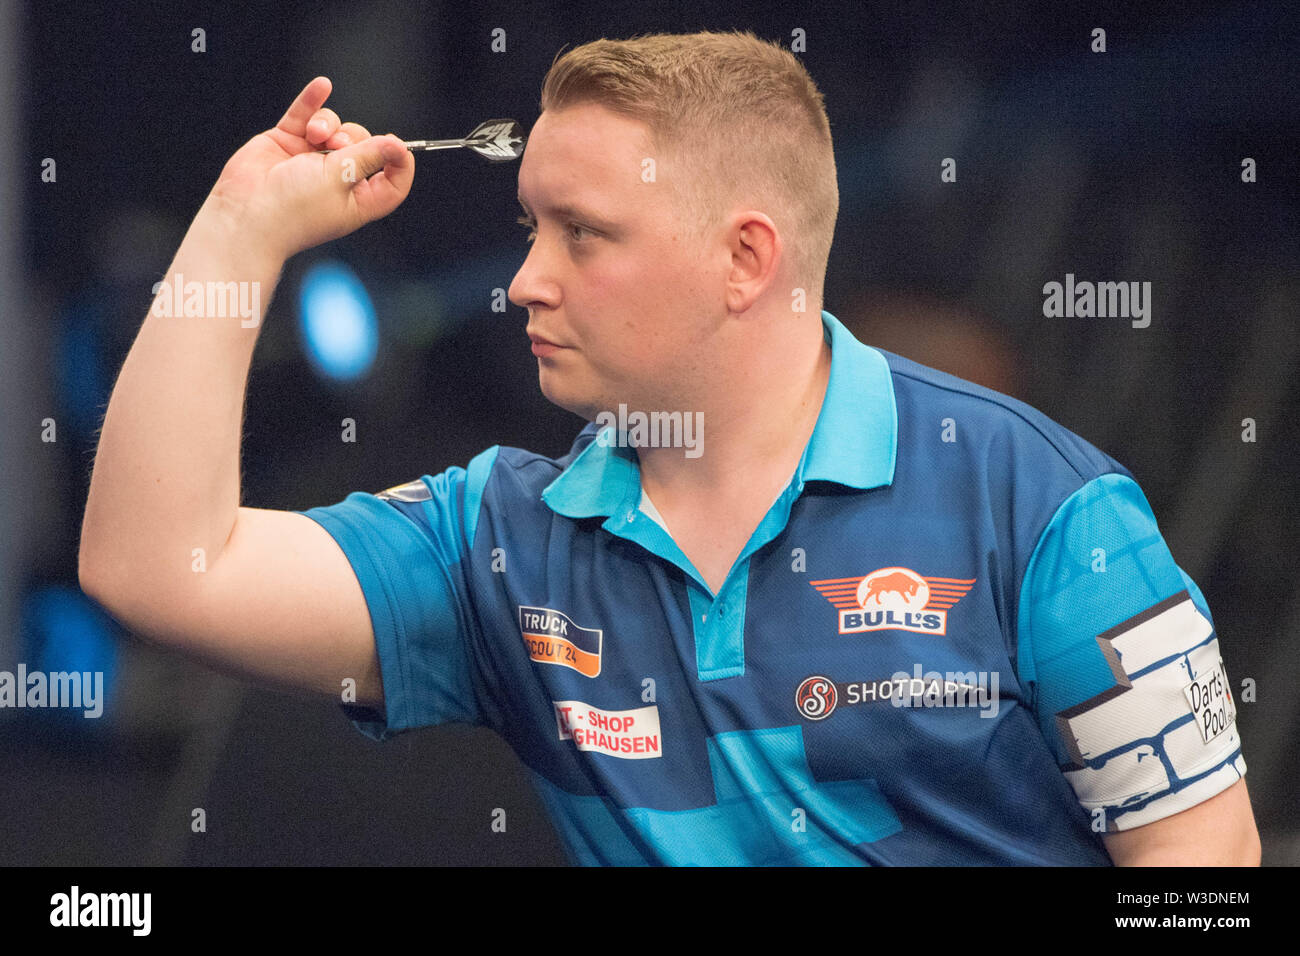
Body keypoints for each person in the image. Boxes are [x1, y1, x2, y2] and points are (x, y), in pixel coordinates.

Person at [79, 30, 1260, 865]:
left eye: (581, 234)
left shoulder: (1044, 506)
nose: (524, 279)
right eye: (531, 224)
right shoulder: (500, 540)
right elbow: (153, 567)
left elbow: (1199, 867)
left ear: (745, 260)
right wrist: (240, 228)